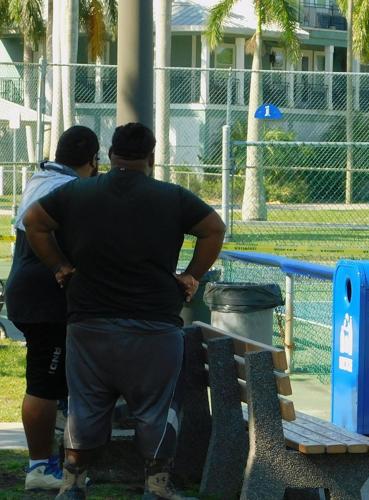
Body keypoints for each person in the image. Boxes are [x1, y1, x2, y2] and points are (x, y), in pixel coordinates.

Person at [23, 122, 226, 500]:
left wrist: (59, 267)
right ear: (151, 157)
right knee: (156, 407)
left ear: (111, 154)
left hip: (88, 322)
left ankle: (72, 482)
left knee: (84, 405)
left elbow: (34, 223)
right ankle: (156, 485)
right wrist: (191, 276)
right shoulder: (173, 197)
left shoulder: (75, 193)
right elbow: (214, 229)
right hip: (155, 325)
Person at [5, 125, 100, 491]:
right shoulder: (68, 189)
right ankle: (39, 467)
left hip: (29, 293)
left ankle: (50, 460)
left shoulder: (44, 177)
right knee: (44, 383)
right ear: (93, 159)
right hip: (43, 299)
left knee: (53, 380)